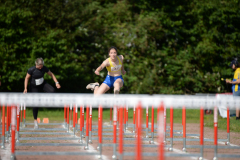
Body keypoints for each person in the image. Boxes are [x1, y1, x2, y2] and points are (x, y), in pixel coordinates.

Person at [23, 58, 61, 128]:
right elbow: (26, 78)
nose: (40, 68)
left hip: (42, 84)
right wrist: (25, 88)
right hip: (34, 87)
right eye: (39, 66)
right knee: (35, 104)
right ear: (36, 64)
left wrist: (56, 82)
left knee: (52, 91)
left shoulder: (44, 68)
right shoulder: (31, 70)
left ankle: (46, 101)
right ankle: (35, 121)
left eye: (41, 66)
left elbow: (51, 74)